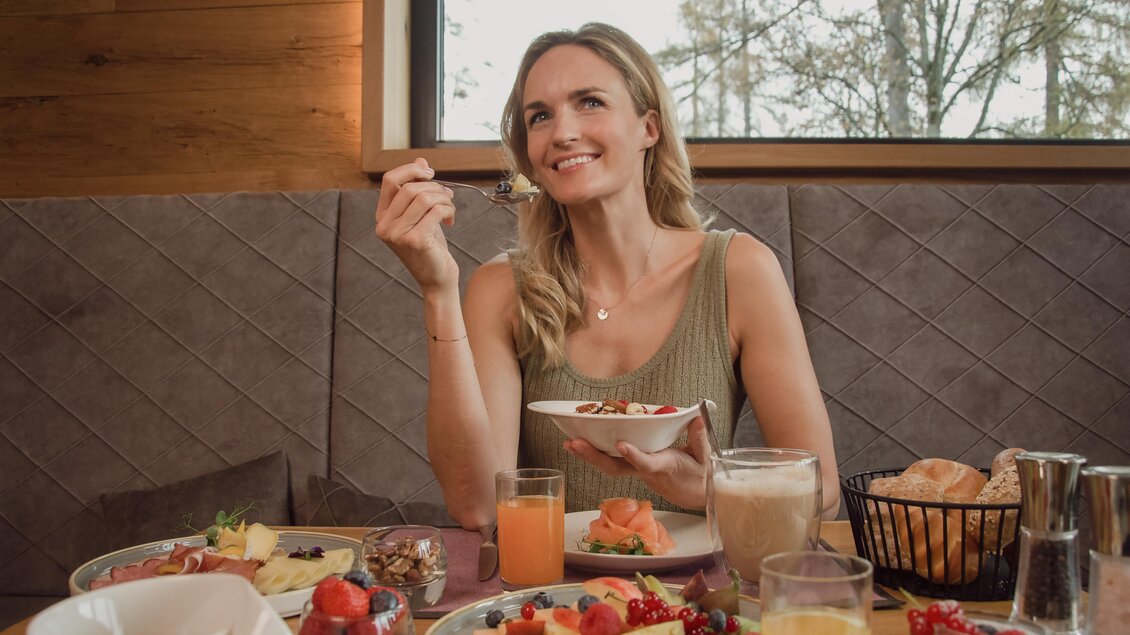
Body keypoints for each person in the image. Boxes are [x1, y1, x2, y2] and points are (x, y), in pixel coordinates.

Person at [375, 23, 838, 530]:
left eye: (590, 102)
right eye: (540, 116)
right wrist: (437, 290)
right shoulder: (502, 289)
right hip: (548, 601)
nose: (562, 132)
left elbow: (822, 494)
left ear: (649, 127)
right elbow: (478, 505)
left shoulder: (739, 270)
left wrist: (707, 488)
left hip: (699, 600)